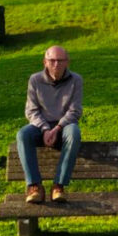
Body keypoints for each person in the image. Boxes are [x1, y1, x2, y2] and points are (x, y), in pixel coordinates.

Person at [16, 45, 83, 203]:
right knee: (23, 134)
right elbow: (31, 111)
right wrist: (46, 129)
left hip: (64, 126)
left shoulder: (76, 80)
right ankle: (35, 186)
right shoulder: (35, 80)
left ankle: (58, 186)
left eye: (60, 60)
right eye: (52, 60)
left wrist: (57, 128)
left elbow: (75, 111)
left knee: (74, 133)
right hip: (41, 126)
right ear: (44, 62)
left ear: (67, 62)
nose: (56, 64)